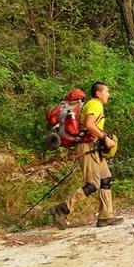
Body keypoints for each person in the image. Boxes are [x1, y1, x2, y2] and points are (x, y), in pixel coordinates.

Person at [50, 82, 122, 228]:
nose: (108, 95)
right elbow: (90, 125)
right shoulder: (95, 104)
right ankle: (62, 208)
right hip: (87, 147)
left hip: (94, 147)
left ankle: (106, 216)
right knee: (93, 184)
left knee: (106, 179)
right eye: (106, 92)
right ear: (98, 93)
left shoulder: (93, 104)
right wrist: (105, 138)